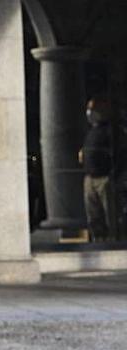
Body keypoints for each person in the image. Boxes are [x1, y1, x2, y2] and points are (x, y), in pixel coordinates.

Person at [80, 96, 115, 242]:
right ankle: (98, 239)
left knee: (109, 213)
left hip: (104, 177)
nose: (90, 112)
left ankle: (113, 240)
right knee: (93, 213)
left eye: (92, 109)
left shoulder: (109, 131)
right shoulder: (91, 131)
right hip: (89, 177)